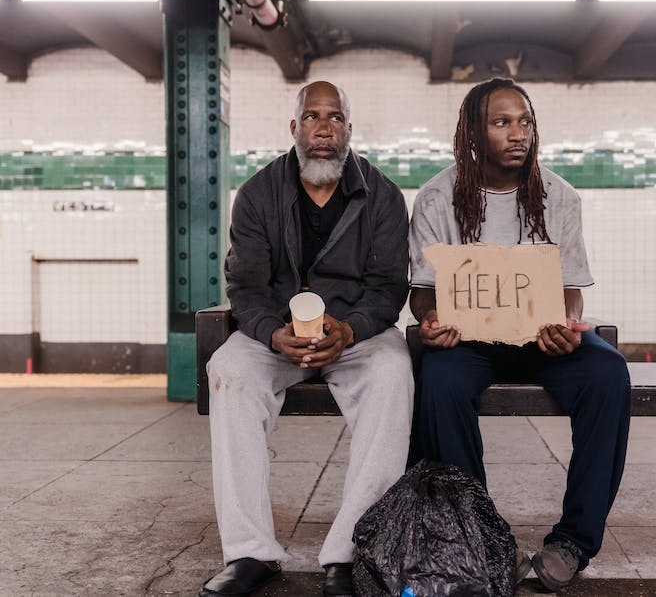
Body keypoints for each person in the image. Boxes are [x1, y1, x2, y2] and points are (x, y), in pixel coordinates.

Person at [408, 78, 631, 591]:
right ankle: (481, 537)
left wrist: (566, 322)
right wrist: (431, 321)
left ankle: (573, 542)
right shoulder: (437, 198)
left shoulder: (559, 196)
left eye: (525, 121)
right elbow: (421, 292)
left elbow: (571, 289)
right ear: (472, 133)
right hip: (470, 339)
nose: (518, 133)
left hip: (540, 338)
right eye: (501, 122)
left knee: (607, 372)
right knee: (437, 381)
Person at [201, 81, 414, 597]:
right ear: (294, 127)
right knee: (228, 372)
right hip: (276, 335)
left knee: (393, 373)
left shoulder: (382, 194)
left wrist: (353, 329)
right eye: (312, 117)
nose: (324, 128)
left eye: (335, 117)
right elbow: (245, 287)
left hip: (354, 335)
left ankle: (350, 553)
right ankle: (250, 553)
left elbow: (389, 289)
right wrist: (273, 335)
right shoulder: (257, 194)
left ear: (348, 129)